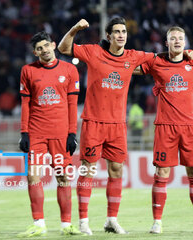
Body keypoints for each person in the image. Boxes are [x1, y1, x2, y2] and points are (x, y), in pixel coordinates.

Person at [57, 17, 156, 235]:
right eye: (117, 32)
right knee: (88, 170)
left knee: (117, 170)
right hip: (94, 122)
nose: (121, 35)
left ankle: (111, 220)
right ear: (108, 36)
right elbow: (63, 48)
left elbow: (159, 60)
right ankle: (83, 221)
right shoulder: (93, 52)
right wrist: (75, 28)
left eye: (124, 32)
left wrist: (185, 55)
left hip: (118, 124)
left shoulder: (133, 56)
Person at [138, 26, 193, 234]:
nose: (178, 41)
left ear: (186, 42)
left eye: (181, 38)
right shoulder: (157, 63)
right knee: (161, 173)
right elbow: (132, 68)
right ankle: (157, 222)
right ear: (167, 43)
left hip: (190, 126)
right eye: (173, 38)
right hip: (165, 126)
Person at [18, 31, 81, 237]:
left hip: (61, 133)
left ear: (54, 45)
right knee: (32, 176)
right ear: (35, 52)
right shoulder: (28, 71)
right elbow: (25, 104)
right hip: (36, 132)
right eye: (39, 48)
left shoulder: (70, 70)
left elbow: (73, 104)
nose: (44, 50)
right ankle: (39, 224)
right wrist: (24, 133)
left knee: (63, 178)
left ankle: (66, 225)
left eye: (46, 45)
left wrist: (72, 133)